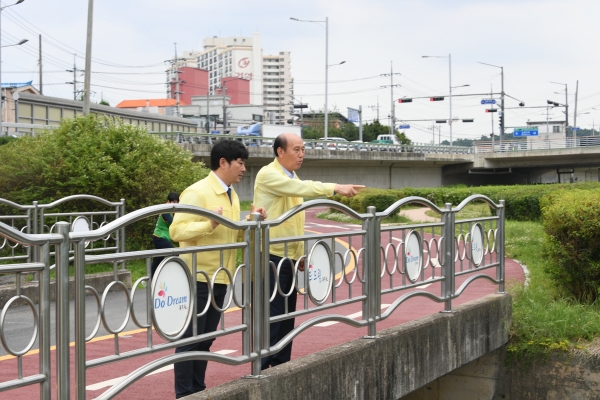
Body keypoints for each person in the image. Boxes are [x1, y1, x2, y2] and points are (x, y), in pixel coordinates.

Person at [254, 132, 364, 370]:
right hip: (272, 255)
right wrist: (334, 187)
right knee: (274, 316)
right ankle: (261, 370)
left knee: (286, 316)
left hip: (289, 256)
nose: (301, 154)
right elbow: (300, 188)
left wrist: (301, 251)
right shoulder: (269, 175)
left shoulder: (291, 176)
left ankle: (282, 367)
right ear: (280, 152)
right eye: (296, 149)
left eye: (303, 149)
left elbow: (295, 221)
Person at [169, 139, 266, 398]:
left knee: (205, 339)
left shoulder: (231, 194)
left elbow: (228, 231)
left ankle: (197, 390)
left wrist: (249, 221)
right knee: (190, 339)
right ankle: (185, 393)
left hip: (220, 277)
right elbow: (176, 230)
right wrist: (207, 224)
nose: (244, 168)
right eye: (240, 162)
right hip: (197, 276)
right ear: (223, 162)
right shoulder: (198, 192)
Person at [150, 192, 179, 276]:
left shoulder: (173, 210)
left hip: (162, 238)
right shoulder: (165, 210)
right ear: (168, 201)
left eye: (177, 201)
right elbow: (173, 222)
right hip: (159, 238)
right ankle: (172, 275)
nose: (176, 204)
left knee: (159, 258)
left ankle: (152, 278)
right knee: (175, 253)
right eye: (173, 202)